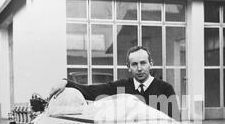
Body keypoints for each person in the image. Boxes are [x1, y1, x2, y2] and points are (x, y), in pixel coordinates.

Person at [49, 46, 179, 119]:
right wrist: (66, 82)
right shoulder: (120, 87)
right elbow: (90, 91)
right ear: (128, 67)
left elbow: (174, 121)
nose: (139, 68)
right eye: (134, 64)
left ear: (151, 64)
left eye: (143, 63)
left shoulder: (165, 89)